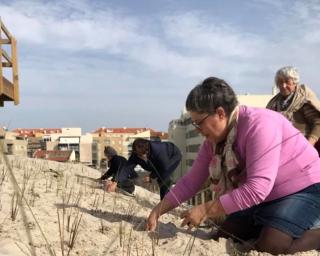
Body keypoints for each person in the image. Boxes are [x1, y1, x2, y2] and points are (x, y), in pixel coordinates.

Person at [146, 77, 320, 255]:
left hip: (305, 188)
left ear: (220, 113)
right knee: (225, 234)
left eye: (199, 122)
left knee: (271, 245)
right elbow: (191, 181)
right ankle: (278, 222)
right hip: (267, 197)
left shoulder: (260, 124)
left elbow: (256, 189)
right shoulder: (213, 141)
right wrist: (157, 211)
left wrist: (205, 209)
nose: (198, 129)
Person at [266, 66, 320, 155]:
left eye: (287, 82)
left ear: (295, 83)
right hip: (280, 150)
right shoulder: (274, 103)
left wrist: (308, 146)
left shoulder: (303, 100)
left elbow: (317, 124)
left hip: (301, 149)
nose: (283, 86)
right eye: (280, 82)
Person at [106, 138, 182, 200]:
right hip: (157, 162)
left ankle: (165, 202)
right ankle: (165, 201)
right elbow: (126, 169)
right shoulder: (135, 156)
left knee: (163, 177)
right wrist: (115, 182)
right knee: (159, 175)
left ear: (148, 149)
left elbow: (163, 167)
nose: (143, 156)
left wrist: (151, 177)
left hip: (173, 155)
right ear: (135, 152)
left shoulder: (158, 150)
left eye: (145, 154)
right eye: (140, 155)